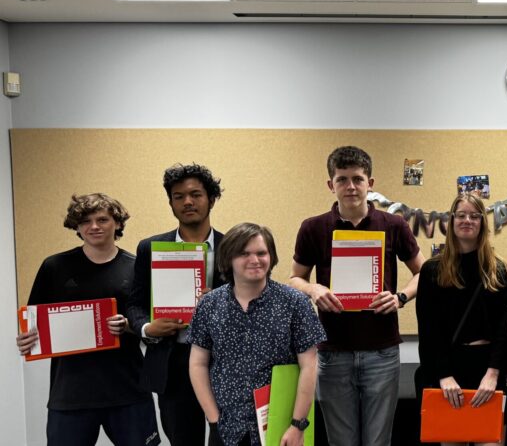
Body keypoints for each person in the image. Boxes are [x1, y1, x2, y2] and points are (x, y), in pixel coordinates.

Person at [290, 145, 425, 446]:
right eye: (342, 179)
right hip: (332, 351)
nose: (350, 186)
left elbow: (423, 273)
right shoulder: (313, 228)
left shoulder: (394, 225)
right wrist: (314, 289)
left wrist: (401, 297)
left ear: (370, 183)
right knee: (342, 442)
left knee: (378, 441)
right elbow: (295, 277)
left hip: (382, 352)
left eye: (357, 179)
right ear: (331, 184)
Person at [16, 193, 160, 446]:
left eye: (102, 219)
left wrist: (128, 326)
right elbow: (34, 321)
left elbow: (152, 325)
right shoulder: (54, 266)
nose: (94, 226)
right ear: (77, 226)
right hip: (71, 393)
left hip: (127, 389)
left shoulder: (137, 268)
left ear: (117, 223)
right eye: (85, 221)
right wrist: (28, 339)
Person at [189, 223, 325, 446]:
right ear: (228, 258)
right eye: (244, 253)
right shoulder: (209, 305)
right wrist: (214, 421)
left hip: (281, 427)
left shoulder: (295, 303)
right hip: (228, 428)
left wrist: (297, 424)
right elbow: (198, 364)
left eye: (261, 253)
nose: (255, 260)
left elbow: (309, 366)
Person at [126, 163, 226, 446]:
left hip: (224, 361)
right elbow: (135, 303)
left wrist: (220, 303)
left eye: (196, 194)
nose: (188, 202)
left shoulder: (234, 245)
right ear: (170, 202)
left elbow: (254, 302)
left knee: (227, 439)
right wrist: (147, 327)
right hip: (173, 361)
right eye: (178, 196)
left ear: (211, 199)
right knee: (182, 439)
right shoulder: (150, 247)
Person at [415, 194, 507, 445]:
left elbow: (505, 329)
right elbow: (429, 330)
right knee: (452, 440)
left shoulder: (498, 270)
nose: (467, 220)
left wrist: (493, 374)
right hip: (449, 371)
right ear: (451, 221)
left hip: (487, 371)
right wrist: (444, 375)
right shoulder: (431, 271)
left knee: (490, 441)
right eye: (461, 215)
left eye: (474, 215)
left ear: (482, 222)